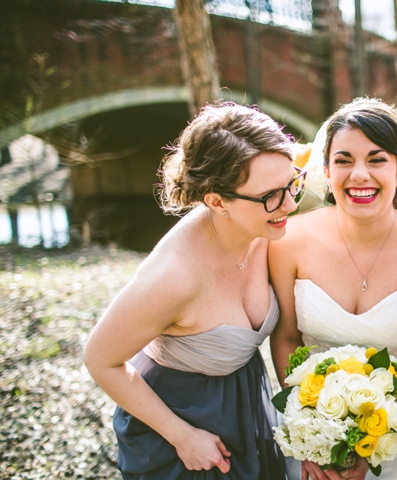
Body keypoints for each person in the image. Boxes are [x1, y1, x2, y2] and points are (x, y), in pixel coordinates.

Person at [83, 103, 303, 479]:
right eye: (272, 195)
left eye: (292, 182)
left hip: (245, 401)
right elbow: (99, 358)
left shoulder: (262, 222)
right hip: (181, 425)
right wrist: (181, 436)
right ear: (217, 201)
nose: (291, 203)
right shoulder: (175, 276)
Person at [269, 98, 397, 480]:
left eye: (376, 159)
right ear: (325, 170)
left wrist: (383, 433)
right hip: (309, 440)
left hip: (394, 443)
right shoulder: (289, 241)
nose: (359, 175)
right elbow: (285, 338)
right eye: (343, 160)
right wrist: (311, 436)